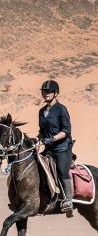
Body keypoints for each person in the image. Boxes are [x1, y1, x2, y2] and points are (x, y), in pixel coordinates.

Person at [38, 79, 74, 217]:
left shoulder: (61, 109)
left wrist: (52, 138)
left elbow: (66, 130)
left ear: (56, 93)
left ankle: (68, 201)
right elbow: (42, 131)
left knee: (61, 171)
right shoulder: (41, 111)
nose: (46, 93)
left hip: (62, 148)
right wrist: (37, 140)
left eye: (49, 91)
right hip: (49, 149)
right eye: (44, 91)